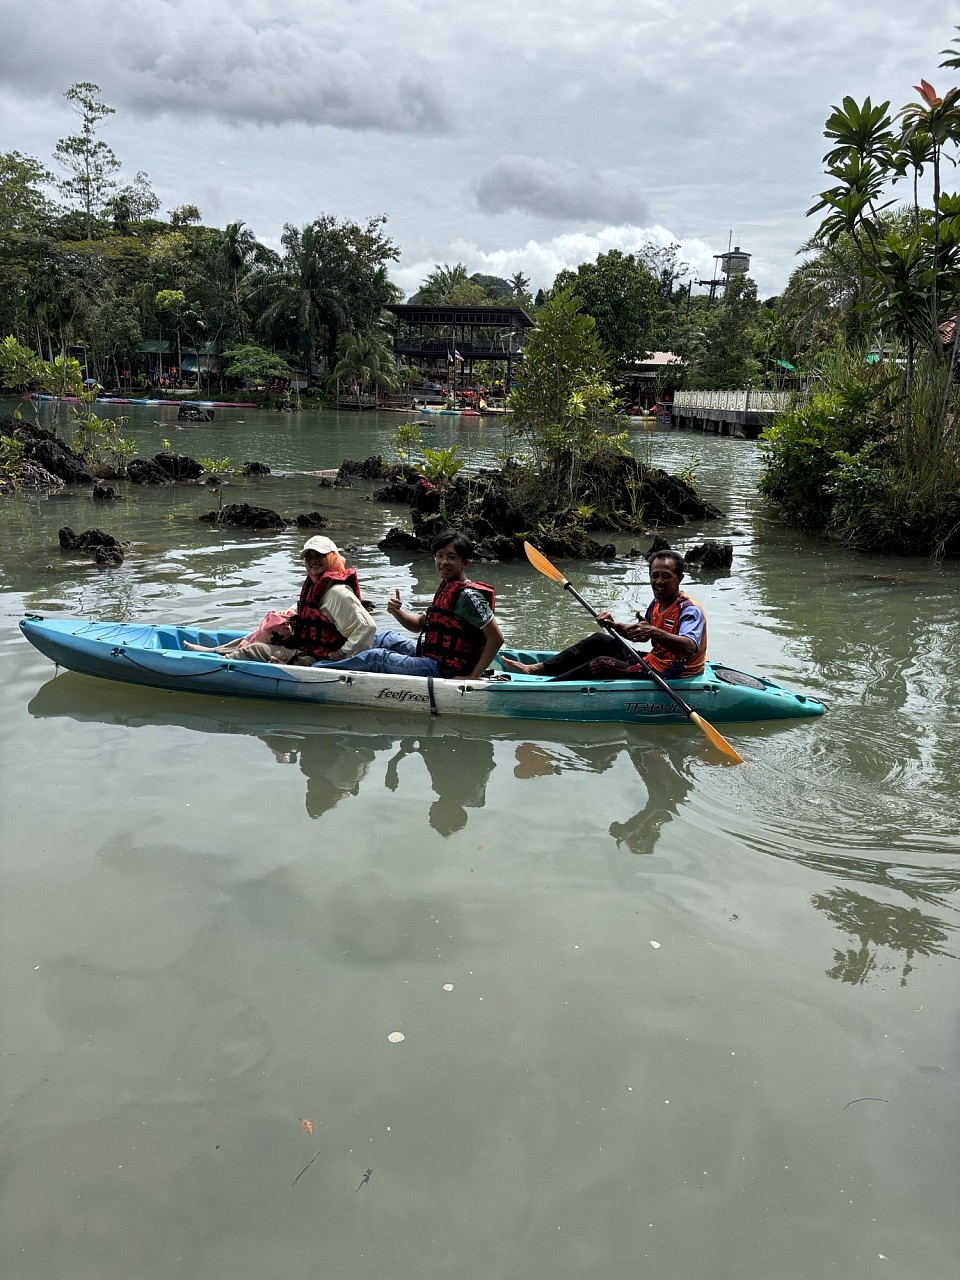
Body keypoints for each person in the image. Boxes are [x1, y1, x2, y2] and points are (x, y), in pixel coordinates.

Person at [312, 529, 504, 679]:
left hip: (447, 668)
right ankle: (329, 656)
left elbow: (496, 638)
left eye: (451, 557)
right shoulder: (448, 587)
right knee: (384, 638)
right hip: (434, 655)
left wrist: (472, 676)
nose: (443, 562)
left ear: (464, 562)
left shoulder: (469, 596)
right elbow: (419, 625)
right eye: (439, 556)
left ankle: (316, 672)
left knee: (376, 657)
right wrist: (398, 612)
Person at [501, 550, 706, 681]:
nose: (659, 581)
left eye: (666, 576)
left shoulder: (689, 609)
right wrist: (614, 625)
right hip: (655, 661)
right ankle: (535, 670)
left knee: (602, 663)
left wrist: (654, 631)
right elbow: (640, 635)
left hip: (675, 672)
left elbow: (689, 647)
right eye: (654, 575)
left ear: (680, 578)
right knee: (600, 640)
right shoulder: (657, 604)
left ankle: (546, 688)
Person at [183, 536, 375, 665]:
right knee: (265, 631)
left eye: (319, 556)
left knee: (256, 649)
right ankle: (215, 651)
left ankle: (212, 665)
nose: (313, 561)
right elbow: (306, 610)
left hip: (318, 657)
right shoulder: (316, 584)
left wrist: (341, 654)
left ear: (332, 558)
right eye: (309, 557)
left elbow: (367, 627)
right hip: (306, 646)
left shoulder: (338, 592)